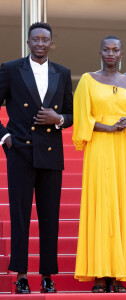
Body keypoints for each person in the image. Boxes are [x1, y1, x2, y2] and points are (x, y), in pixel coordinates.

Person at [73, 36, 126, 293]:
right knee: (102, 206)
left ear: (123, 54)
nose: (110, 53)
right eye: (106, 49)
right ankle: (100, 275)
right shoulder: (87, 80)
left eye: (115, 50)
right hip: (100, 148)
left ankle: (120, 275)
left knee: (124, 207)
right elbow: (82, 119)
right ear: (100, 52)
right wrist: (109, 127)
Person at [0, 22, 73, 293]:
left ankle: (47, 276)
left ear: (51, 43)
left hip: (51, 153)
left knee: (50, 217)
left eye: (46, 39)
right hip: (19, 150)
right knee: (20, 215)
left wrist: (60, 119)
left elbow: (71, 113)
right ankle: (20, 274)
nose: (41, 43)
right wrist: (4, 137)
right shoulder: (10, 69)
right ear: (28, 42)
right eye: (36, 39)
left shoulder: (62, 73)